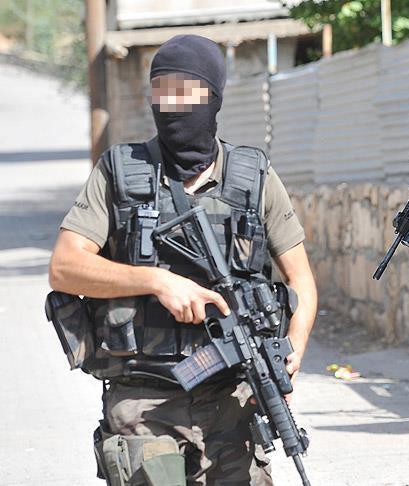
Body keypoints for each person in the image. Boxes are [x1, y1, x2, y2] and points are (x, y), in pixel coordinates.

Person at [47, 35, 318, 484]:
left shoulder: (254, 177)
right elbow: (64, 267)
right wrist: (156, 281)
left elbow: (301, 281)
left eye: (186, 92)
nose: (173, 105)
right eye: (162, 91)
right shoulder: (120, 172)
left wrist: (292, 350)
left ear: (213, 97)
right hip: (144, 401)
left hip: (233, 399)